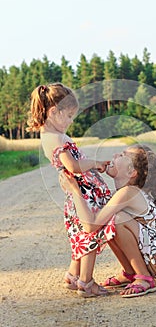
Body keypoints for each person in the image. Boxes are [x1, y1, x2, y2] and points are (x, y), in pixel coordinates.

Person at [60, 144, 156, 298]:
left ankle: (144, 278)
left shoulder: (129, 192)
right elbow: (93, 224)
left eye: (122, 155)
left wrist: (76, 190)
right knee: (108, 220)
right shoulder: (122, 193)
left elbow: (90, 226)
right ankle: (130, 273)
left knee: (117, 219)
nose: (115, 155)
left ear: (131, 172)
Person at [27, 83, 115, 297]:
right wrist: (94, 163)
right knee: (91, 234)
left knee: (82, 235)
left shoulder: (50, 135)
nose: (71, 120)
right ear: (53, 112)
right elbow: (73, 167)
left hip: (80, 192)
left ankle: (72, 274)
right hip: (82, 193)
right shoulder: (55, 138)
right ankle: (86, 282)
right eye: (68, 115)